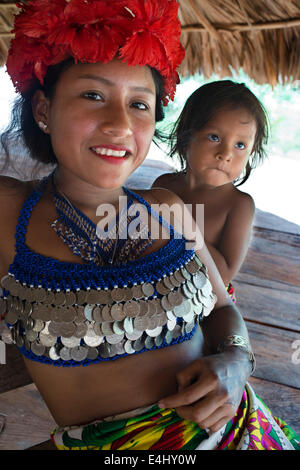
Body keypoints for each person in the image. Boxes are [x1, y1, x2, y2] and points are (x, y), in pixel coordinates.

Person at [0, 0, 298, 451]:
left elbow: (222, 311)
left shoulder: (168, 209)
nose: (120, 124)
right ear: (43, 108)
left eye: (139, 104)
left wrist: (236, 360)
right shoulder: (8, 210)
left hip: (246, 432)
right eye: (93, 95)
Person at [153, 81, 269, 301]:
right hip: (156, 288)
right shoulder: (164, 185)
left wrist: (183, 224)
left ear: (252, 152)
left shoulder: (238, 205)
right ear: (186, 137)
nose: (225, 154)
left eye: (240, 145)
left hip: (206, 300)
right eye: (214, 137)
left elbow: (223, 274)